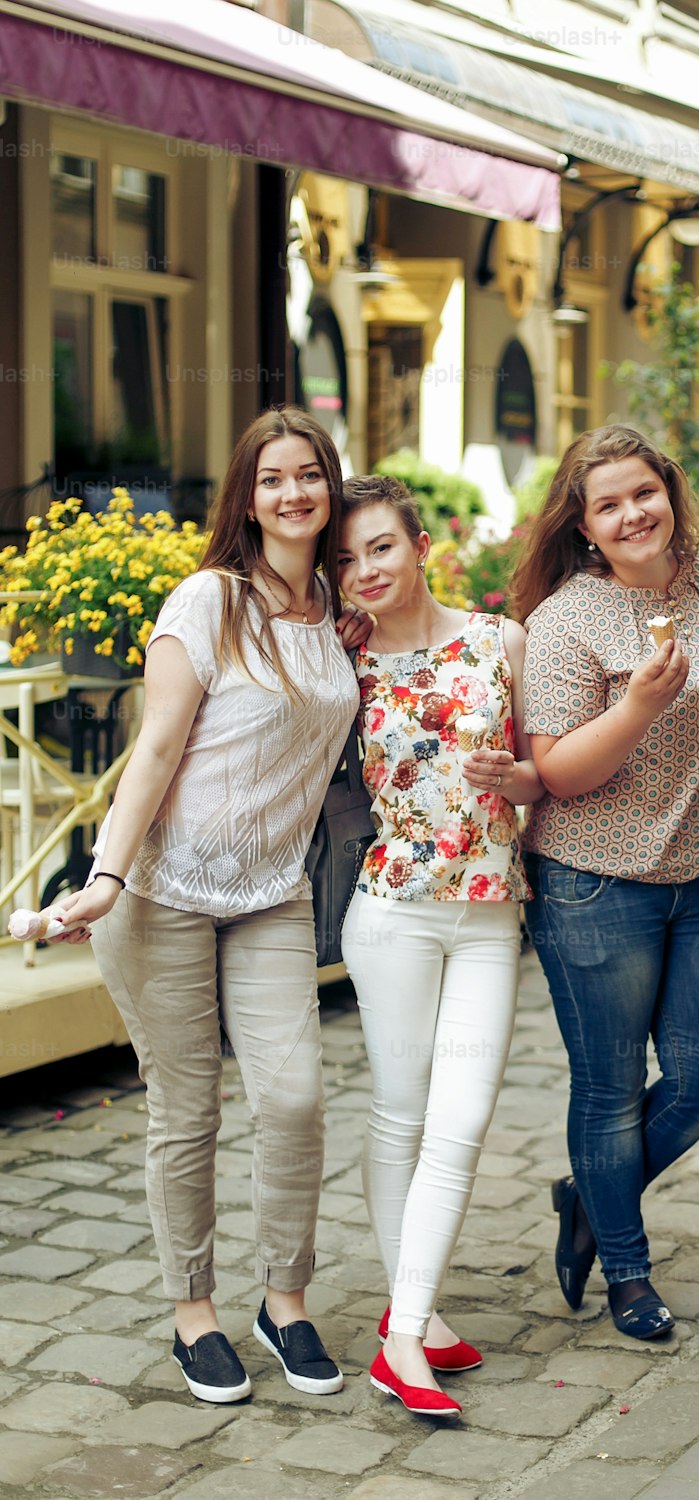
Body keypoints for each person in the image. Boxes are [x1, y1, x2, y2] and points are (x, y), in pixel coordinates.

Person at [56, 407, 363, 1402]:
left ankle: (287, 1300)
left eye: (308, 474)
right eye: (272, 477)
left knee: (292, 1098)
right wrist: (104, 876)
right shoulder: (208, 602)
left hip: (271, 895)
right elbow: (153, 749)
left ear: (330, 487)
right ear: (246, 495)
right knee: (186, 1114)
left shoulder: (337, 604)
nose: (292, 493)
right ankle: (195, 1312)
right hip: (165, 893)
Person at [508, 424, 699, 1341]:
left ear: (669, 493)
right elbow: (560, 773)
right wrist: (643, 703)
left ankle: (588, 1192)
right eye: (608, 503)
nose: (632, 513)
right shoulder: (565, 622)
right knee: (607, 1090)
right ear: (585, 523)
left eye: (643, 493)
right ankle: (627, 1272)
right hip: (594, 882)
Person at [337, 474, 543, 1417]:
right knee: (401, 1117)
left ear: (422, 545)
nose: (363, 569)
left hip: (491, 914)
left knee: (459, 1124)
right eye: (344, 559)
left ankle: (405, 1333)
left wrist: (525, 776)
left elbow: (547, 770)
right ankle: (409, 1326)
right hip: (393, 917)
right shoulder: (343, 660)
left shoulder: (501, 641)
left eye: (380, 546)